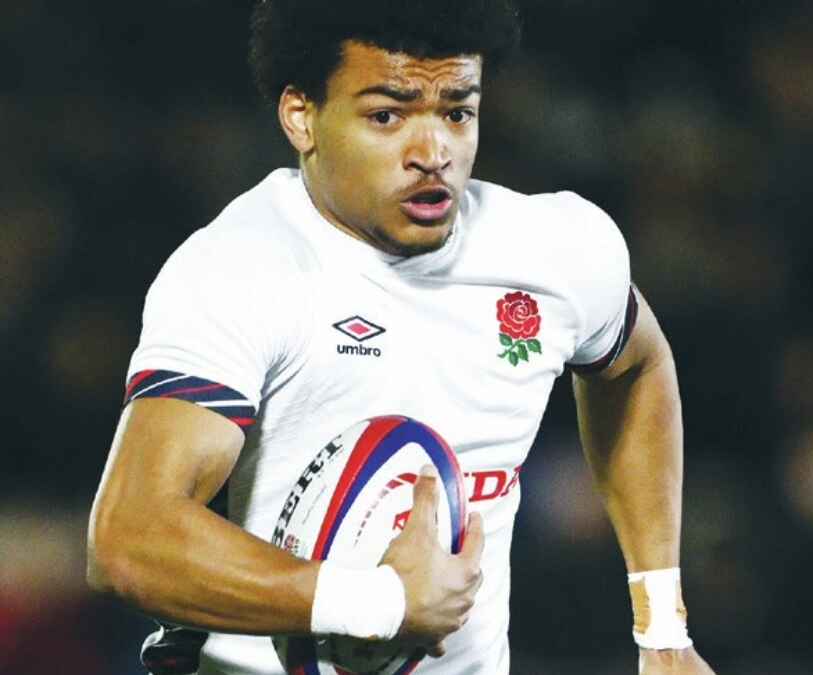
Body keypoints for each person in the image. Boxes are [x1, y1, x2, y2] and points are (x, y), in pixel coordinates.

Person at [85, 1, 715, 674]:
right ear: (302, 115)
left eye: (457, 111)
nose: (433, 152)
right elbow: (129, 537)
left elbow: (637, 366)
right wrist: (378, 601)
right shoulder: (241, 270)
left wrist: (662, 626)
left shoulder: (555, 250)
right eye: (388, 115)